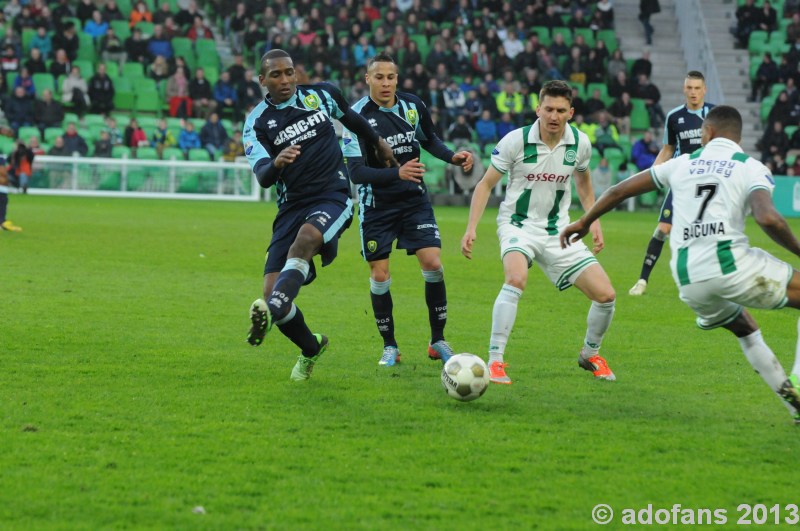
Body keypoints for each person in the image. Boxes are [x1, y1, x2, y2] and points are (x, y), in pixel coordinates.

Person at [560, 105, 800, 424]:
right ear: (738, 137)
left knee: (746, 329)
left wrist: (585, 221)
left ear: (709, 132)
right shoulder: (749, 166)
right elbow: (767, 217)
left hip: (688, 280)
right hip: (730, 264)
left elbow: (619, 191)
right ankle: (796, 384)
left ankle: (793, 404)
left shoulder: (682, 163)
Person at [242, 49, 396, 381]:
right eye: (276, 75)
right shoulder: (256, 122)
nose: (285, 80)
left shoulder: (322, 95)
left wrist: (379, 143)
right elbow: (263, 177)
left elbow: (353, 120)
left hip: (332, 195)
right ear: (262, 81)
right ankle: (311, 347)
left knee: (306, 241)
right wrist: (277, 162)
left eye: (289, 72)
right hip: (290, 207)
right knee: (271, 290)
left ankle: (274, 309)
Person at [460, 80, 617, 385]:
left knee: (606, 296)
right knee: (516, 278)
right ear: (538, 109)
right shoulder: (515, 141)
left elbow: (584, 183)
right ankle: (495, 361)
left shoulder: (580, 143)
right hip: (518, 224)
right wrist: (471, 228)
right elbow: (485, 184)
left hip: (559, 230)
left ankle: (590, 354)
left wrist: (593, 219)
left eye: (560, 110)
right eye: (548, 109)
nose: (554, 116)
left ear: (570, 112)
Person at [341, 52, 474, 367]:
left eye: (390, 77)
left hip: (414, 201)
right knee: (380, 273)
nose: (385, 83)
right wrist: (395, 173)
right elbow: (356, 173)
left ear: (397, 79)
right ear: (367, 80)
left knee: (433, 263)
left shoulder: (413, 106)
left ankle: (437, 340)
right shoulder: (355, 116)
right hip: (377, 206)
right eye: (379, 77)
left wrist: (452, 156)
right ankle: (390, 346)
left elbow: (430, 140)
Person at [629, 71, 714, 296]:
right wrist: (652, 175)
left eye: (697, 88)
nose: (693, 92)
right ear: (684, 89)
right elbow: (667, 149)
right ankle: (642, 280)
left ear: (704, 89)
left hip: (707, 184)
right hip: (681, 181)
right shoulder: (674, 116)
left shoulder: (715, 114)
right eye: (690, 88)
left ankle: (711, 283)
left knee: (708, 233)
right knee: (662, 230)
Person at [0, 156, 22, 231]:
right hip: (2, 190)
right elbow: (4, 176)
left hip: (3, 190)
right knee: (2, 206)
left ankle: (2, 222)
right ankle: (2, 223)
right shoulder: (1, 165)